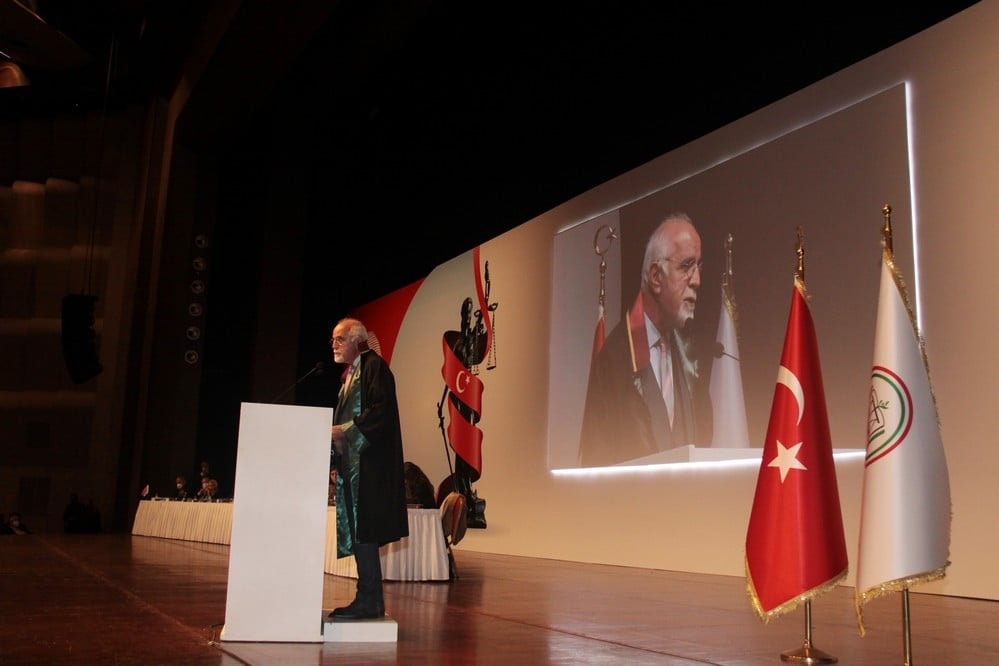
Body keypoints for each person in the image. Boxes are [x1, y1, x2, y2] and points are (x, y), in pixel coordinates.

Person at [578, 212, 712, 467]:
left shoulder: (692, 358)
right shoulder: (614, 359)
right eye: (686, 266)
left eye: (698, 268)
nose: (697, 281)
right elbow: (597, 460)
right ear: (655, 277)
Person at [328, 317, 408, 620]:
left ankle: (370, 600)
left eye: (340, 339)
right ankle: (368, 598)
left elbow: (381, 413)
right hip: (355, 469)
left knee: (366, 533)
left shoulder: (374, 367)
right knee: (362, 535)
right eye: (333, 340)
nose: (334, 345)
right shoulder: (352, 375)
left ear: (358, 340)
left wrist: (343, 432)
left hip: (371, 469)